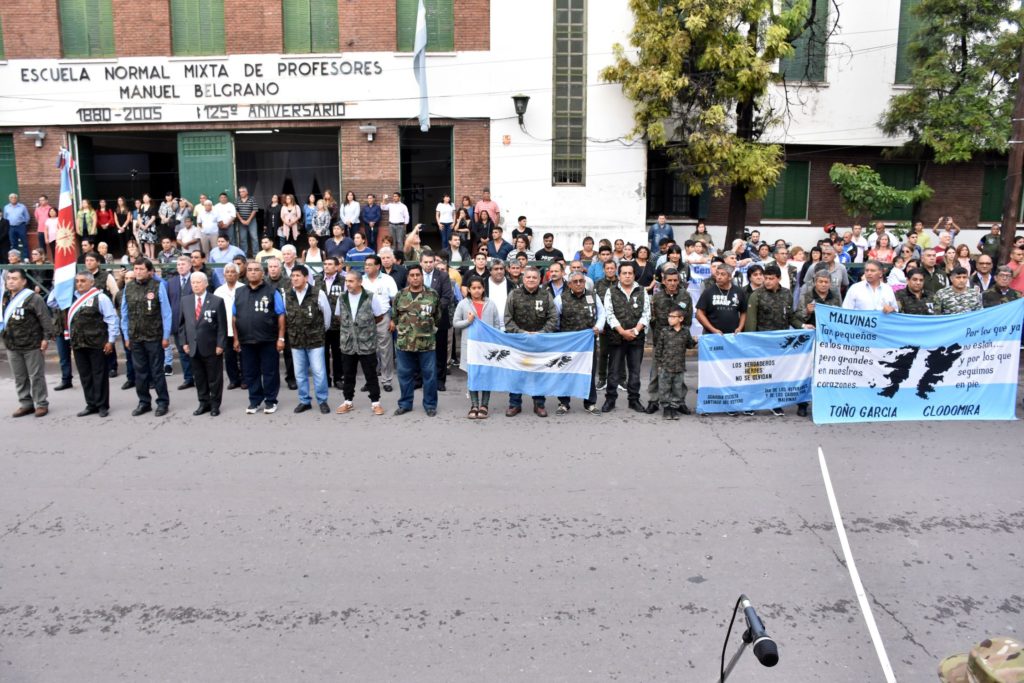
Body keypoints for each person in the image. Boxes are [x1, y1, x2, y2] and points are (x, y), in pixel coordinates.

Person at [120, 258, 172, 417]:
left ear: (149, 271)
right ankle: (144, 402)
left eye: (141, 269)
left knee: (157, 372)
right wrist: (127, 335)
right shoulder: (128, 288)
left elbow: (166, 313)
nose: (138, 272)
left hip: (154, 336)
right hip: (135, 337)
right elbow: (124, 313)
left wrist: (165, 336)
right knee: (140, 372)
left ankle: (162, 402)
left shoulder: (157, 286)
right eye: (136, 268)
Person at [503, 265, 557, 417]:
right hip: (519, 342)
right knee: (517, 373)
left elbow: (553, 318)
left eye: (534, 277)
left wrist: (541, 333)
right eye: (528, 277)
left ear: (540, 279)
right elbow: (507, 319)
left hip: (540, 342)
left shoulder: (546, 295)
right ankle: (514, 404)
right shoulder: (514, 294)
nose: (531, 280)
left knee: (539, 373)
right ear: (523, 278)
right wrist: (522, 333)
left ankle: (539, 404)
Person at [233, 260, 286, 414]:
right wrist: (236, 339)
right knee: (250, 372)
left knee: (270, 372)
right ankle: (255, 400)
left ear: (263, 273)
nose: (253, 272)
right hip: (246, 340)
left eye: (256, 269)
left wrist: (281, 338)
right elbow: (234, 317)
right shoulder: (239, 292)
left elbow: (281, 315)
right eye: (249, 270)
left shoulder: (271, 291)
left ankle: (270, 401)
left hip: (268, 340)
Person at [2, 268, 55, 417]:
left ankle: (41, 403)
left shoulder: (33, 298)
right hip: (12, 344)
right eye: (9, 278)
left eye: (15, 278)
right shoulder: (4, 297)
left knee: (36, 376)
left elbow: (44, 318)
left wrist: (46, 338)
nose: (11, 281)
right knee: (19, 377)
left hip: (32, 344)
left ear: (24, 281)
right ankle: (26, 403)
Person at [65, 271, 118, 417]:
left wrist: (111, 341)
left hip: (97, 342)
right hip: (79, 344)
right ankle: (91, 404)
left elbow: (111, 319)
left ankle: (102, 405)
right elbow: (53, 302)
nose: (79, 284)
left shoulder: (101, 298)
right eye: (77, 281)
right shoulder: (73, 299)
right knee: (85, 376)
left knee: (99, 374)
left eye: (83, 281)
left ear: (91, 282)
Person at [334, 269, 386, 416]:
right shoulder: (342, 298)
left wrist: (365, 327)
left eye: (351, 281)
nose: (348, 284)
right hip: (348, 343)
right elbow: (339, 316)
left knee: (371, 374)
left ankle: (375, 403)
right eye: (346, 281)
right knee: (348, 374)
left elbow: (379, 316)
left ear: (360, 282)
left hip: (366, 343)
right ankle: (348, 402)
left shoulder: (370, 297)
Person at [551, 269, 604, 415]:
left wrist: (598, 327)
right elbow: (554, 320)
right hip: (568, 343)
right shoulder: (560, 299)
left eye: (582, 281)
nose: (579, 284)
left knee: (589, 372)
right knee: (565, 371)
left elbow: (602, 314)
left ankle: (590, 403)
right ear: (569, 284)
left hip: (588, 343)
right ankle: (563, 403)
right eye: (576, 282)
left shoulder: (594, 296)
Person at [602, 261, 650, 413]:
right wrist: (622, 332)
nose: (627, 276)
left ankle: (634, 400)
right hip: (617, 337)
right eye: (624, 273)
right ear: (619, 275)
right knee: (614, 371)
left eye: (630, 273)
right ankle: (610, 400)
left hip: (637, 338)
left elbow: (646, 313)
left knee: (635, 371)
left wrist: (635, 331)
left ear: (634, 275)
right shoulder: (611, 291)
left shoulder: (642, 291)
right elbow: (609, 314)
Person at [393, 264, 440, 416]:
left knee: (430, 376)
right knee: (405, 375)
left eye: (417, 275)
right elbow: (395, 316)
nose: (415, 278)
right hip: (404, 342)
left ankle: (430, 405)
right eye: (412, 275)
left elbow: (437, 316)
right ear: (408, 278)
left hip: (426, 342)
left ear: (421, 276)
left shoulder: (432, 294)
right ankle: (405, 403)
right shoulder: (400, 295)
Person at [284, 264, 332, 414]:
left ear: (306, 277)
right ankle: (304, 400)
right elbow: (286, 315)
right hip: (296, 341)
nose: (295, 279)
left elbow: (327, 317)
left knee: (318, 372)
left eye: (298, 276)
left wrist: (318, 331)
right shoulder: (287, 294)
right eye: (292, 276)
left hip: (315, 340)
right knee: (299, 373)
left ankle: (322, 400)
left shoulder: (318, 293)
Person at [453, 277, 503, 419]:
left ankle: (484, 405)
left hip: (487, 346)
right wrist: (468, 321)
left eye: (479, 288)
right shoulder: (463, 304)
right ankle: (474, 405)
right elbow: (455, 323)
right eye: (473, 288)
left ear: (483, 289)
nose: (476, 290)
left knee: (486, 374)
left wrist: (496, 342)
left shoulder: (491, 304)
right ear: (468, 289)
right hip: (470, 346)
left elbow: (496, 325)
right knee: (473, 374)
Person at [179, 272, 227, 416]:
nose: (195, 285)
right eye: (193, 282)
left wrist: (220, 344)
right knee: (199, 378)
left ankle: (215, 404)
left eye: (198, 282)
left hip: (212, 347)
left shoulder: (216, 301)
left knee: (214, 378)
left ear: (205, 284)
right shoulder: (185, 301)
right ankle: (203, 402)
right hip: (193, 347)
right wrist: (184, 343)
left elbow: (222, 326)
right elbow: (182, 325)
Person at [645, 268, 692, 415]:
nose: (672, 283)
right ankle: (654, 400)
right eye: (669, 280)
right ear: (664, 282)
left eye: (675, 280)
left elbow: (688, 318)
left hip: (678, 343)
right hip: (661, 341)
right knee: (656, 372)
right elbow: (652, 319)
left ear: (679, 281)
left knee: (678, 374)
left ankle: (680, 402)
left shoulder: (685, 296)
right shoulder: (657, 297)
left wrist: (681, 335)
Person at [164, 255, 196, 387]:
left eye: (183, 264)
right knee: (183, 352)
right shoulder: (171, 282)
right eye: (178, 265)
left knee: (195, 351)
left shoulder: (196, 279)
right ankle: (188, 378)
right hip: (178, 323)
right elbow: (168, 303)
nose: (180, 267)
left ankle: (199, 377)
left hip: (194, 323)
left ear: (189, 266)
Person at [316, 257, 346, 389]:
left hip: (338, 323)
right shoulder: (317, 280)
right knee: (322, 353)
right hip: (320, 323)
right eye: (325, 264)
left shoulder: (343, 281)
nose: (326, 266)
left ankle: (338, 378)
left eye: (330, 264)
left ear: (337, 267)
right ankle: (325, 379)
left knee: (337, 352)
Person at [655, 305, 690, 420]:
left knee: (677, 389)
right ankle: (666, 408)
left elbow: (689, 345)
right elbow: (659, 349)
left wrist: (696, 340)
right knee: (664, 388)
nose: (669, 319)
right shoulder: (664, 331)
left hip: (679, 367)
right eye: (669, 316)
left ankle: (674, 408)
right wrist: (659, 364)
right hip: (666, 366)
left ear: (681, 319)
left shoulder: (685, 332)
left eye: (673, 317)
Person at [213, 262, 244, 390]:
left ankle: (245, 379)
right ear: (224, 275)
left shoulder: (243, 288)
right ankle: (234, 379)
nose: (230, 274)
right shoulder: (219, 291)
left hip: (242, 328)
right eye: (228, 272)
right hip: (225, 328)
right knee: (229, 356)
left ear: (238, 274)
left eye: (233, 272)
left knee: (244, 355)